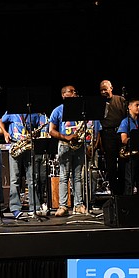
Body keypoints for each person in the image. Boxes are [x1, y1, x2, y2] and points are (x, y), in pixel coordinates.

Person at [48, 86, 90, 217]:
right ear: (63, 95)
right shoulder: (58, 110)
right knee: (64, 177)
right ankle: (63, 206)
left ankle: (78, 205)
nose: (74, 93)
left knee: (78, 177)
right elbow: (51, 130)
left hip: (79, 145)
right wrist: (66, 137)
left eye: (75, 91)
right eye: (70, 92)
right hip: (65, 145)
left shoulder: (81, 109)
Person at [0, 111, 48, 218]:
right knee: (14, 179)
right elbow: (1, 121)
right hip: (15, 145)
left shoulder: (34, 113)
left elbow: (39, 128)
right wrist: (5, 133)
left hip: (28, 146)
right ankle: (15, 208)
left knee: (32, 179)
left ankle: (34, 207)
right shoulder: (11, 111)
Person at [97, 79, 127, 196]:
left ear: (111, 88)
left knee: (124, 162)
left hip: (120, 133)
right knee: (111, 165)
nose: (103, 92)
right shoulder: (99, 103)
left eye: (105, 89)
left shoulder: (120, 100)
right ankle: (115, 193)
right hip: (107, 135)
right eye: (101, 90)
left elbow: (127, 117)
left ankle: (124, 191)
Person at [117, 98, 139, 195]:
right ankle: (129, 200)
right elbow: (123, 139)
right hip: (131, 155)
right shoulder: (125, 122)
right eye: (136, 105)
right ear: (129, 107)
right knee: (129, 181)